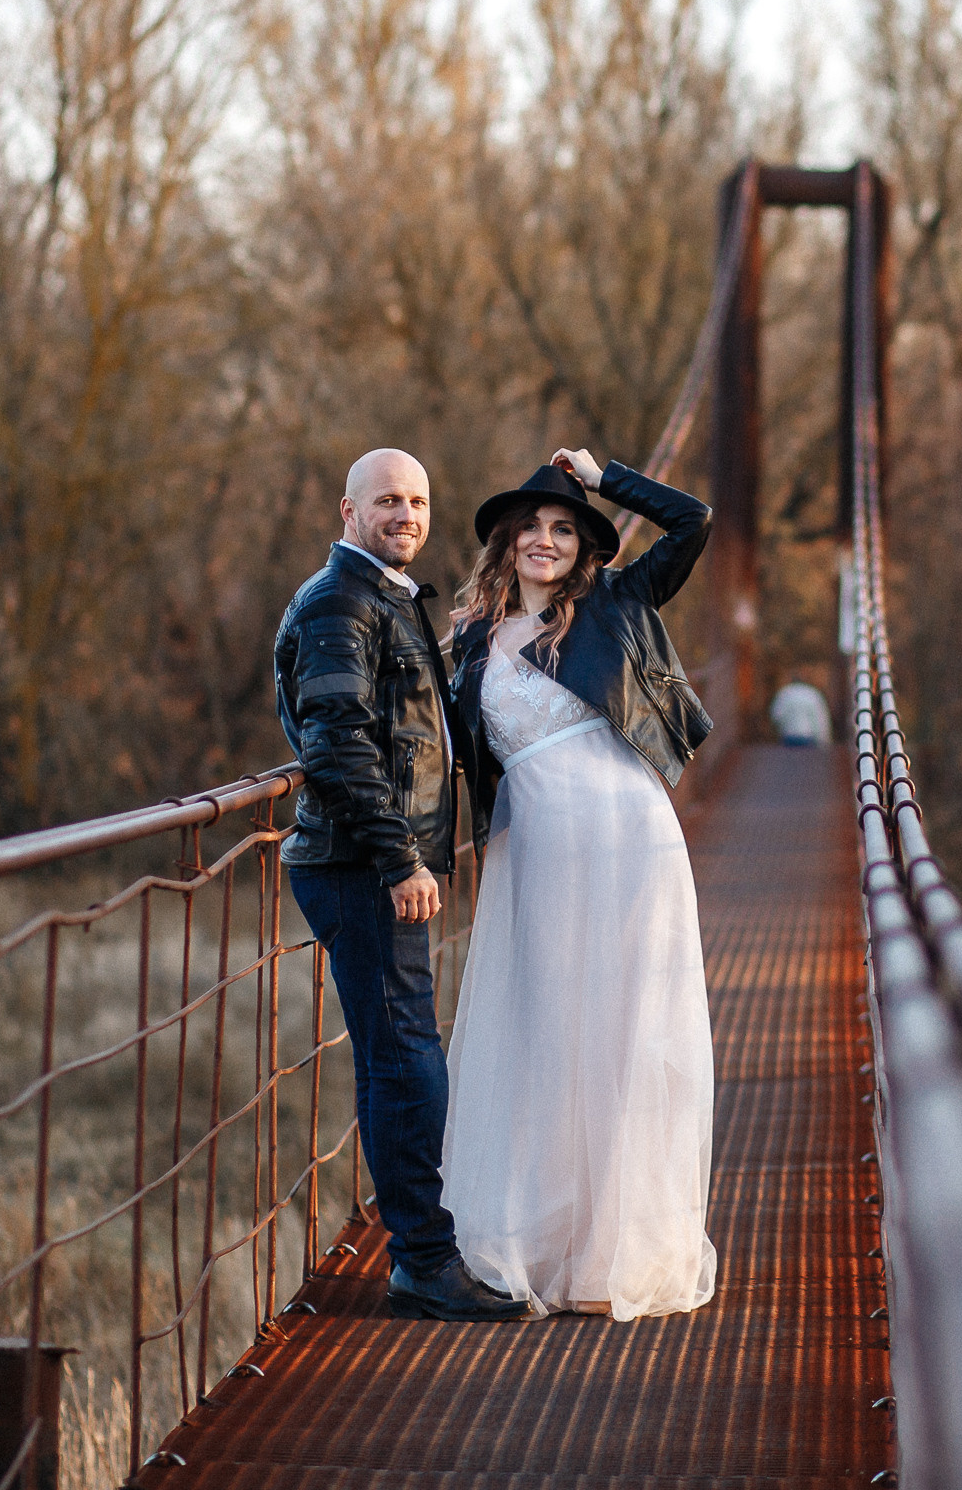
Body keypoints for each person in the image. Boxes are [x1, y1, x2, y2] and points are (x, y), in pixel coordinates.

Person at [439, 448, 719, 1320]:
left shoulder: (616, 603)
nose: (546, 542)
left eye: (563, 530)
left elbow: (694, 521)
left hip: (630, 844)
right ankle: (542, 1238)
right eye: (532, 528)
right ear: (505, 542)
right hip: (537, 859)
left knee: (624, 1031)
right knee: (546, 1033)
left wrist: (605, 478)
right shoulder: (470, 643)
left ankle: (616, 1248)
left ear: (583, 548)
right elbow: (429, 743)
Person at [272, 448, 529, 1322]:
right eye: (388, 500)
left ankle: (421, 1251)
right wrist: (400, 860)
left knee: (396, 1061)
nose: (407, 514)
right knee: (408, 1060)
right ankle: (424, 1259)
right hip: (360, 867)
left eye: (419, 500)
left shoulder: (389, 596)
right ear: (347, 512)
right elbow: (336, 740)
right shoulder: (341, 602)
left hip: (375, 862)